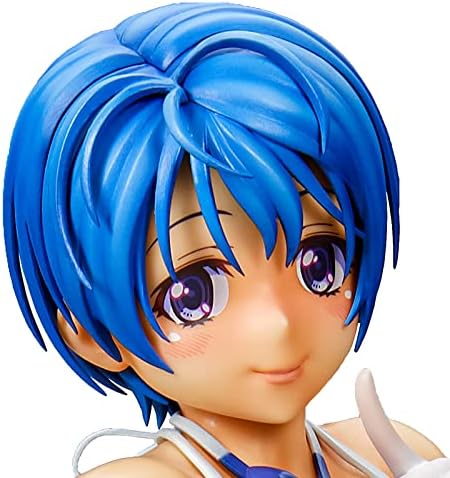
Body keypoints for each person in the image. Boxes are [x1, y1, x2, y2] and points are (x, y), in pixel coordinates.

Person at [3, 3, 448, 477]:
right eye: (191, 295)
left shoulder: (388, 452)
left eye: (320, 264)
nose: (277, 323)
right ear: (91, 333)